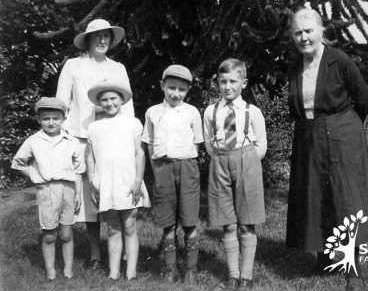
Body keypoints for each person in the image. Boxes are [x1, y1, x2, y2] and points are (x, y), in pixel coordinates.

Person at [285, 8, 368, 291]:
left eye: (308, 30)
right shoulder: (294, 65)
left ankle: (354, 269)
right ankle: (323, 256)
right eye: (298, 33)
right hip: (309, 136)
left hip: (342, 135)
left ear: (321, 31)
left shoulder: (340, 61)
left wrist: (345, 129)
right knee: (315, 195)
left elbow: (362, 98)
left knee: (345, 198)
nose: (303, 37)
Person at [56, 18, 134, 269]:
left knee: (116, 191)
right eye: (97, 36)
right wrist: (63, 137)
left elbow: (128, 108)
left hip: (113, 140)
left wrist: (128, 140)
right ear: (87, 40)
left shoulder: (118, 68)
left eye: (107, 37)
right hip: (81, 137)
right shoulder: (73, 66)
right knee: (90, 198)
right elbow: (61, 103)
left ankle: (121, 247)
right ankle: (95, 253)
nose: (102, 41)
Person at [203, 58, 267, 290]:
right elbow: (209, 142)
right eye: (222, 82)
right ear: (217, 83)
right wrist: (222, 158)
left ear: (243, 83)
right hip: (220, 161)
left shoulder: (253, 112)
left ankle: (247, 277)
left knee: (247, 222)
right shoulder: (211, 111)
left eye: (232, 81)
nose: (227, 87)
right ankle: (232, 275)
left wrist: (245, 161)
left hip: (246, 161)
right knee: (228, 223)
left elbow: (261, 146)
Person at [141, 65, 203, 285]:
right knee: (168, 221)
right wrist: (156, 170)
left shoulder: (192, 112)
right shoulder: (153, 112)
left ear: (187, 91)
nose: (176, 93)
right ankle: (170, 268)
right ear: (162, 86)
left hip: (187, 166)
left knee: (189, 221)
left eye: (181, 89)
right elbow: (148, 144)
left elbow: (196, 141)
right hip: (163, 168)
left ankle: (191, 269)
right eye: (171, 88)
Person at [11, 97, 85, 280]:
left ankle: (68, 268)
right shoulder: (33, 141)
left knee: (67, 233)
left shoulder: (71, 141)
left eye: (55, 118)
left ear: (63, 119)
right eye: (46, 118)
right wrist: (35, 177)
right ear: (39, 120)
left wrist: (78, 194)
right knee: (49, 234)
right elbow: (18, 163)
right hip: (47, 190)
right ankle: (50, 270)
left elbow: (78, 169)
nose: (51, 122)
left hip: (68, 188)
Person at [85, 78, 149, 280]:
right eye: (104, 100)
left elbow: (140, 154)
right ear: (99, 103)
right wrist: (93, 182)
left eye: (113, 98)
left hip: (128, 179)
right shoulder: (95, 127)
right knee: (112, 227)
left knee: (129, 225)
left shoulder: (132, 123)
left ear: (121, 100)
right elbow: (90, 157)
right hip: (106, 182)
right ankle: (113, 271)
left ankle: (131, 270)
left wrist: (138, 180)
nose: (109, 103)